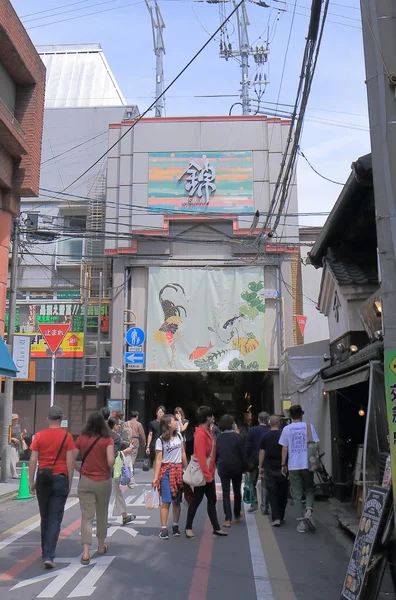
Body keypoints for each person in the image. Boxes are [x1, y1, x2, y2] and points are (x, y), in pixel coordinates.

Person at [28, 406, 75, 569]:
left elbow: (33, 459)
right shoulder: (67, 437)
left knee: (45, 517)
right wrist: (69, 482)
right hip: (60, 478)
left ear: (48, 419)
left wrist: (31, 481)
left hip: (43, 478)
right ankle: (49, 554)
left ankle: (45, 552)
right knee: (55, 518)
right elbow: (70, 462)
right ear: (61, 420)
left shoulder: (39, 436)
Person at [74, 411, 115, 565]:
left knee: (86, 517)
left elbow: (71, 458)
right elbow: (110, 461)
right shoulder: (107, 440)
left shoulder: (81, 439)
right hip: (103, 481)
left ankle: (85, 552)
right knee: (102, 514)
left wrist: (80, 469)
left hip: (85, 481)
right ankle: (100, 546)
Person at [185, 406, 228, 539]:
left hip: (208, 473)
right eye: (211, 415)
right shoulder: (200, 434)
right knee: (196, 501)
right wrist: (208, 476)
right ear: (207, 418)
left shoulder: (208, 431)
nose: (213, 417)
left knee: (212, 500)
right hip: (203, 474)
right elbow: (201, 457)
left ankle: (216, 528)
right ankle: (188, 527)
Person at [279, 404, 319, 533]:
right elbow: (316, 444)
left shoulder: (286, 429)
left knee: (296, 494)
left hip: (293, 465)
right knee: (310, 489)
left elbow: (284, 448)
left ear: (290, 416)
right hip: (307, 463)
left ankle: (301, 523)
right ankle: (308, 511)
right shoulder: (308, 426)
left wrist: (283, 464)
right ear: (301, 415)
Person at [152, 414, 187, 539]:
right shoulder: (160, 440)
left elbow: (183, 452)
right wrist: (155, 477)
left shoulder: (178, 436)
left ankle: (175, 526)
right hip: (166, 471)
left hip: (178, 471)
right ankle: (163, 529)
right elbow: (158, 459)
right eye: (174, 420)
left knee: (177, 501)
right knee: (166, 501)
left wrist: (186, 468)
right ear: (168, 424)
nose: (176, 422)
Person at [216, 414, 247, 528]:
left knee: (225, 492)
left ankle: (227, 519)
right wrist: (245, 468)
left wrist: (216, 464)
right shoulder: (237, 437)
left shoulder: (219, 437)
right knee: (237, 490)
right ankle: (237, 513)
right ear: (232, 424)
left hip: (223, 467)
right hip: (236, 467)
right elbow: (243, 454)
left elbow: (216, 453)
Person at [259, 415, 288, 527]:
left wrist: (260, 466)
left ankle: (276, 518)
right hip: (282, 467)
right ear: (279, 423)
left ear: (269, 424)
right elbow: (286, 449)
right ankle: (281, 515)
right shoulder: (283, 435)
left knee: (272, 492)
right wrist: (284, 464)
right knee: (282, 492)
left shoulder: (265, 436)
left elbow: (262, 452)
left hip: (269, 467)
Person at [108, 417, 136, 525]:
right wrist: (125, 451)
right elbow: (114, 454)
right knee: (113, 492)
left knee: (117, 492)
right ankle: (106, 518)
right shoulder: (115, 437)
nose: (119, 426)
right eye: (118, 424)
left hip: (106, 468)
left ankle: (124, 515)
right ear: (114, 425)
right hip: (114, 468)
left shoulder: (105, 435)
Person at [246, 411, 270, 514]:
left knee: (252, 482)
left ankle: (254, 503)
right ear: (268, 420)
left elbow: (248, 446)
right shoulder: (269, 430)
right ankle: (265, 506)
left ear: (258, 420)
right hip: (267, 461)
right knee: (265, 484)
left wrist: (246, 460)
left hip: (253, 460)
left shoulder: (252, 430)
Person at [124, 411, 146, 487]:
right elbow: (142, 433)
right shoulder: (138, 424)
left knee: (128, 454)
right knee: (133, 455)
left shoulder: (126, 423)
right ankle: (129, 470)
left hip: (127, 440)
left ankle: (128, 469)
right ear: (136, 416)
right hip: (135, 439)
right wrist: (144, 441)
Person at [10, 413, 22, 479]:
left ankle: (13, 472)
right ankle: (14, 474)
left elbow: (19, 434)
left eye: (17, 419)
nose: (16, 420)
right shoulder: (9, 427)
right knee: (13, 459)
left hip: (17, 445)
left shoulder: (18, 426)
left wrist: (23, 434)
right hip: (11, 445)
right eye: (14, 419)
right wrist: (12, 438)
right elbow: (5, 436)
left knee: (16, 459)